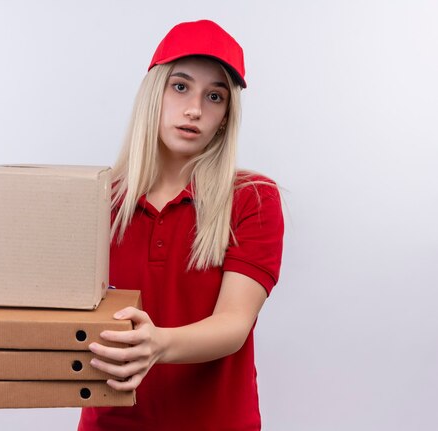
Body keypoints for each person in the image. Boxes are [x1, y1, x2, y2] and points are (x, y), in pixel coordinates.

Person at [77, 19, 284, 431]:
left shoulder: (253, 198)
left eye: (214, 96)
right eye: (180, 86)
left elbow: (233, 323)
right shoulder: (99, 201)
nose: (195, 109)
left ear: (226, 115)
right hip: (110, 422)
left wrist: (159, 344)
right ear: (153, 93)